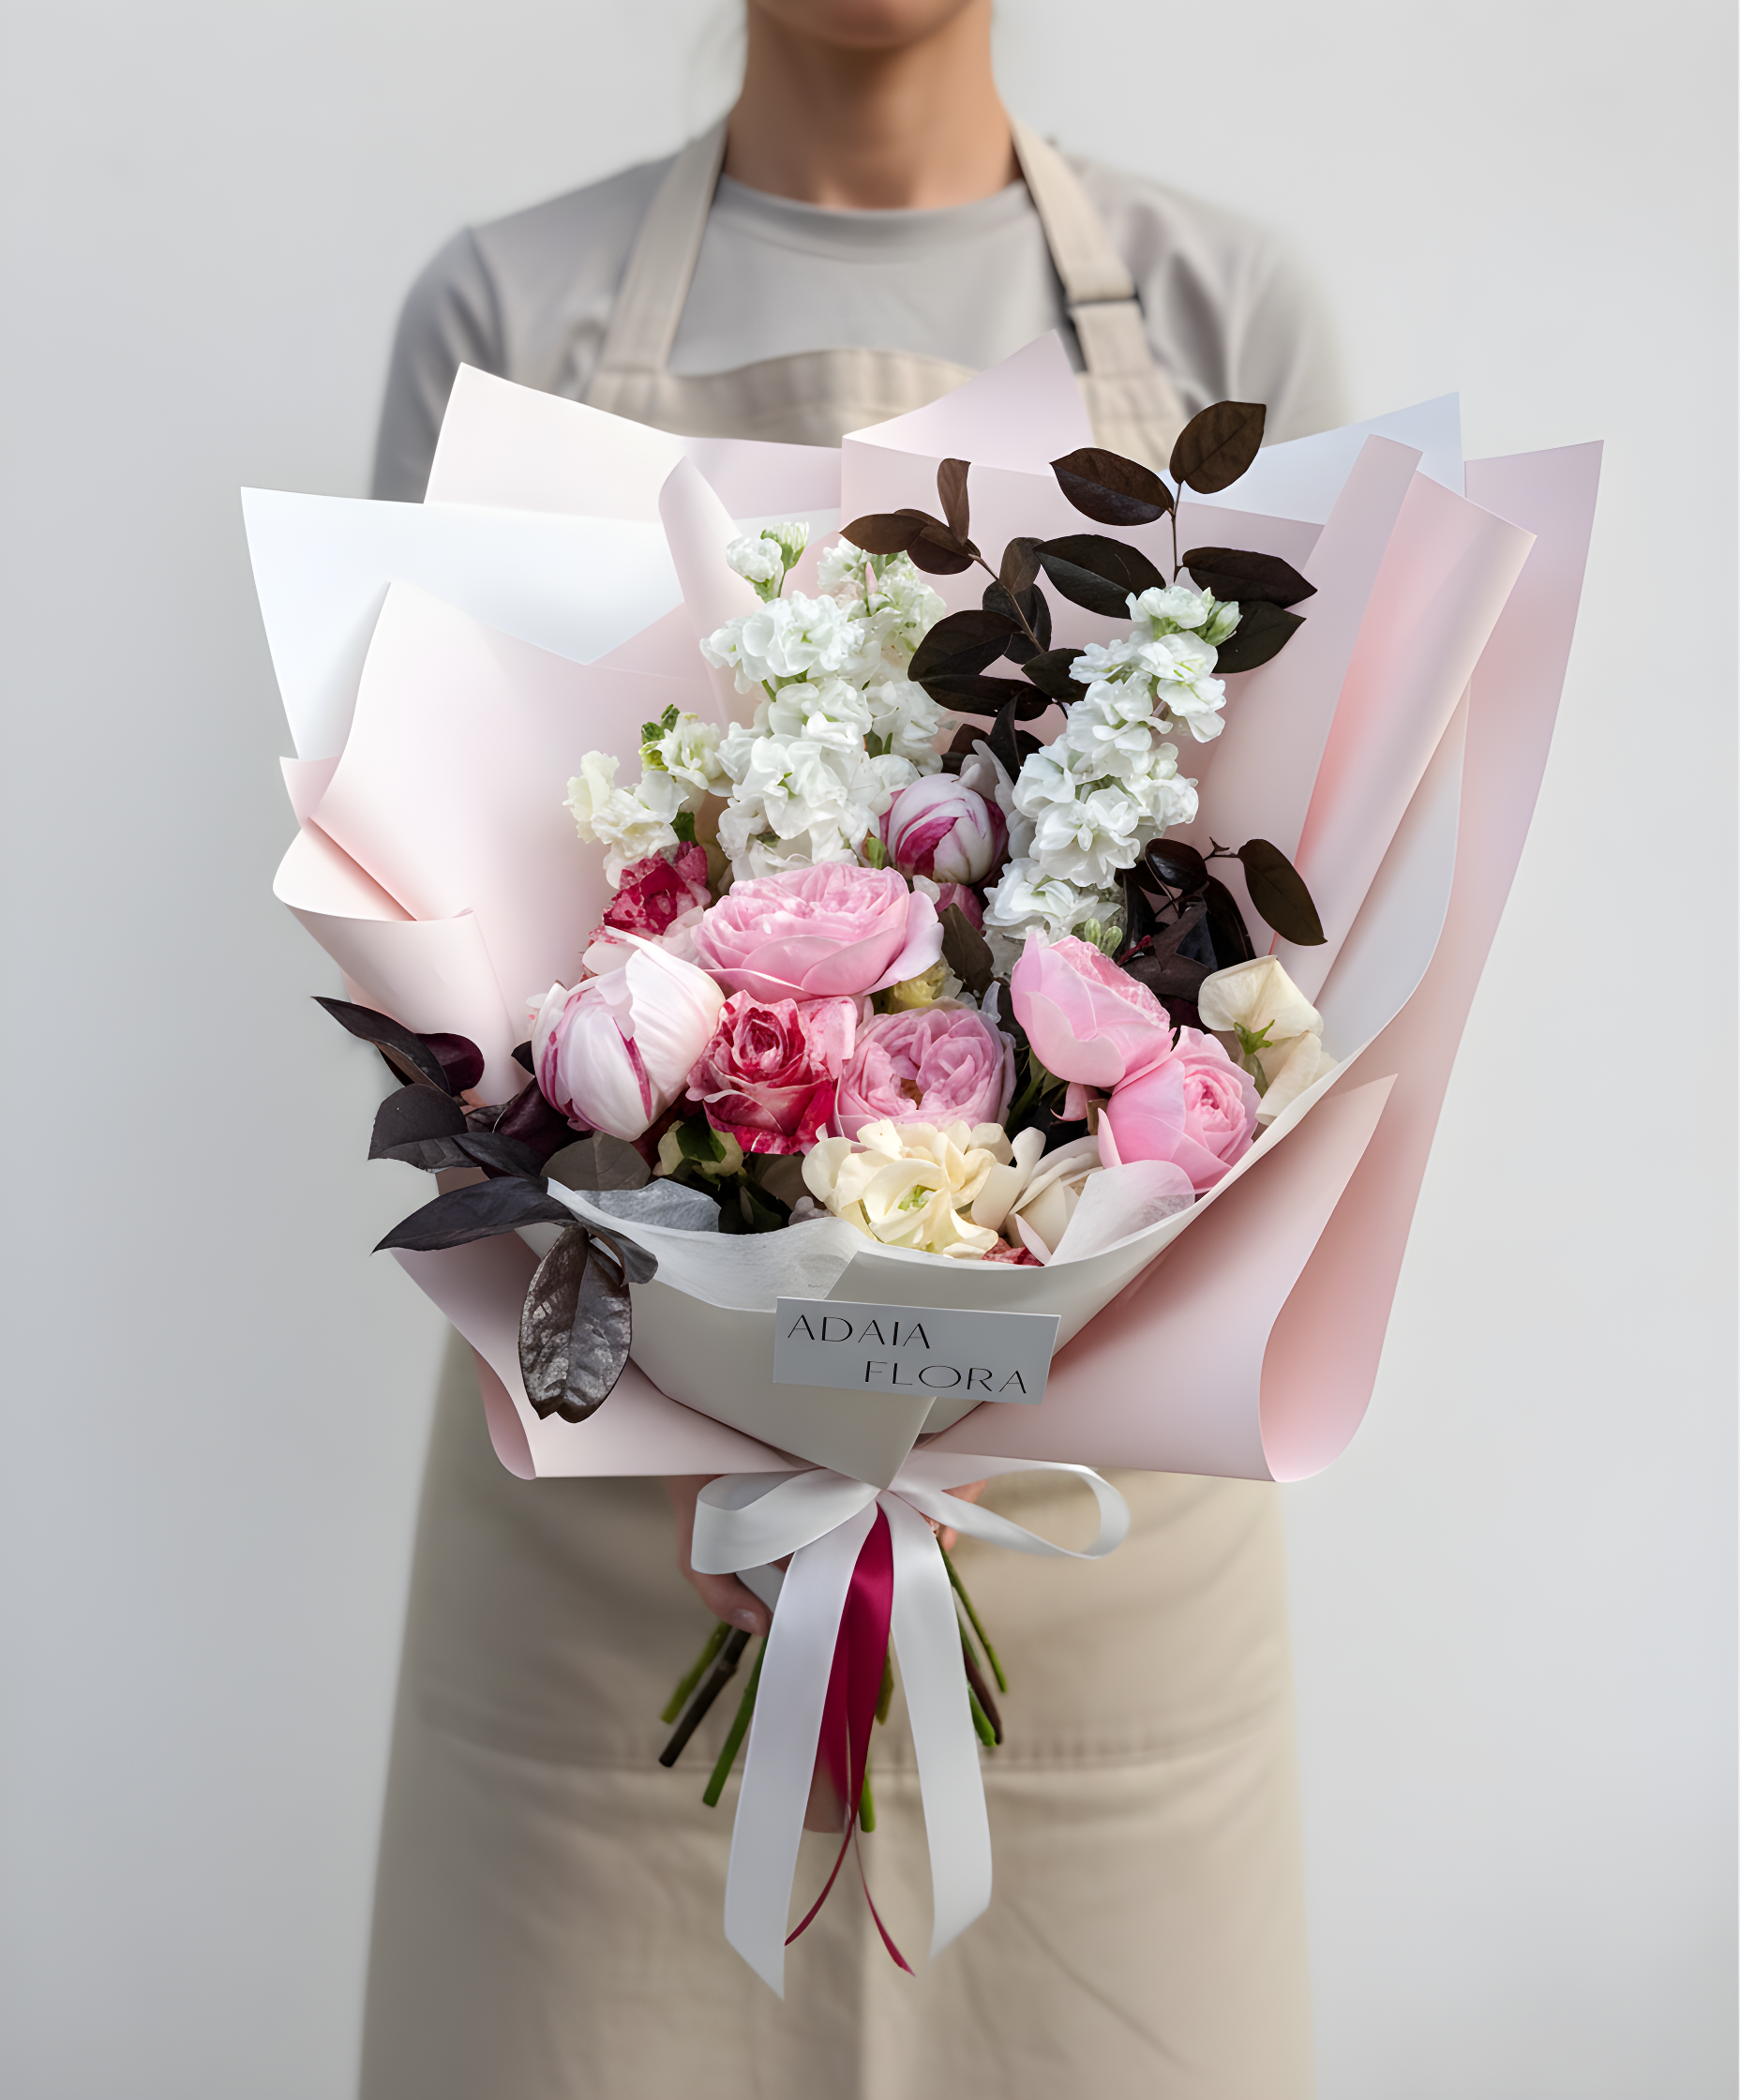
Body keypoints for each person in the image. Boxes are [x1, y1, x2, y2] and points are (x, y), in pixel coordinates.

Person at [360, 6, 1342, 2095]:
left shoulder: (1219, 310)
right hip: (616, 1558)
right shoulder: (502, 310)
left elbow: (1303, 962)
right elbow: (431, 923)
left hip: (1089, 1559)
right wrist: (719, 1400)